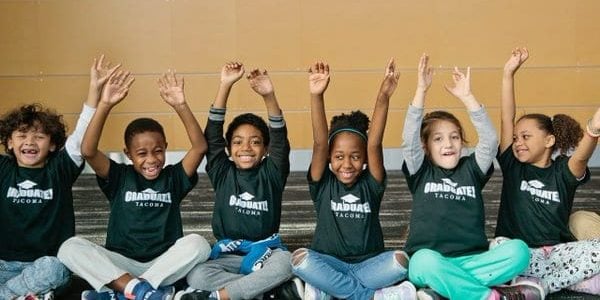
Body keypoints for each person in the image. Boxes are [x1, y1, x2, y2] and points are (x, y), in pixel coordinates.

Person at [57, 69, 211, 300]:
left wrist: (180, 105)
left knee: (199, 244)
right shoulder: (119, 176)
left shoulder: (173, 178)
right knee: (69, 248)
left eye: (158, 151)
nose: (151, 159)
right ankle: (142, 291)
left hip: (163, 263)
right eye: (141, 153)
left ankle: (125, 293)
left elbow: (200, 148)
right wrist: (105, 104)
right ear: (128, 153)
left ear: (166, 147)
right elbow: (87, 150)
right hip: (120, 264)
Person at [403, 54, 542, 300]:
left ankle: (445, 288)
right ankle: (489, 296)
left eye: (455, 137)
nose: (448, 144)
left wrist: (468, 98)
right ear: (425, 147)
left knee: (520, 251)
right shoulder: (421, 170)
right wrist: (421, 90)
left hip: (474, 258)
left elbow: (489, 141)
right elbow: (409, 138)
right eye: (438, 139)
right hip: (431, 258)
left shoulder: (471, 169)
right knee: (422, 263)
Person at [290, 59, 415, 300]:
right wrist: (317, 95)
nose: (347, 164)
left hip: (369, 266)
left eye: (355, 157)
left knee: (401, 261)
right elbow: (318, 143)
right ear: (329, 158)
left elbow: (375, 143)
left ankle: (328, 290)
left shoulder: (372, 183)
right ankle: (373, 297)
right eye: (338, 157)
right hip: (328, 262)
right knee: (300, 259)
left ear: (365, 158)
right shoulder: (323, 183)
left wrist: (384, 96)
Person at [0, 55, 115, 300]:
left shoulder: (59, 169)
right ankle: (27, 295)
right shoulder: (3, 170)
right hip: (2, 265)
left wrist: (94, 90)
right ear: (9, 143)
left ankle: (11, 295)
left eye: (39, 137)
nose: (30, 141)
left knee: (58, 268)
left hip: (43, 266)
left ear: (52, 145)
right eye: (21, 136)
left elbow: (82, 132)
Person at [180, 63, 298, 300]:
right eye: (238, 142)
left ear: (265, 149)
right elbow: (212, 136)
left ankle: (220, 296)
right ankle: (267, 292)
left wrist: (269, 96)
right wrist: (225, 85)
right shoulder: (223, 172)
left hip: (267, 252)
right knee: (196, 274)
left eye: (255, 142)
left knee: (286, 262)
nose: (245, 148)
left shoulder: (272, 173)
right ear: (229, 149)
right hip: (229, 254)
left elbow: (279, 139)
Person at [493, 47, 600, 296]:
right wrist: (508, 74)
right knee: (498, 245)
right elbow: (506, 118)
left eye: (526, 136)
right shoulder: (513, 166)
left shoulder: (563, 170)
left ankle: (540, 286)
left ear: (549, 141)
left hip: (554, 254)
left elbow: (582, 154)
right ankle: (565, 281)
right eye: (517, 137)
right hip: (517, 253)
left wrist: (594, 129)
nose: (518, 141)